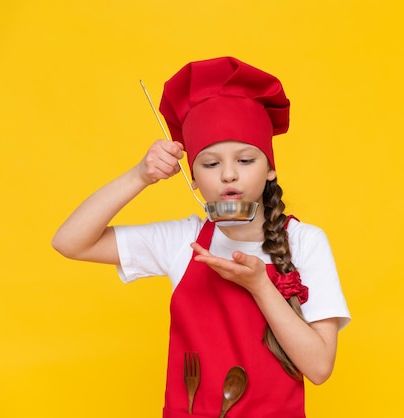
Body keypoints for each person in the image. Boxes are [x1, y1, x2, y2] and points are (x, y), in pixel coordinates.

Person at [52, 56, 350, 418]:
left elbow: (319, 368)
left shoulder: (305, 241)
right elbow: (70, 242)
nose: (228, 175)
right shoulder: (182, 239)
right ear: (192, 178)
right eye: (210, 164)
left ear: (271, 169)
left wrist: (260, 285)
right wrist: (139, 176)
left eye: (245, 161)